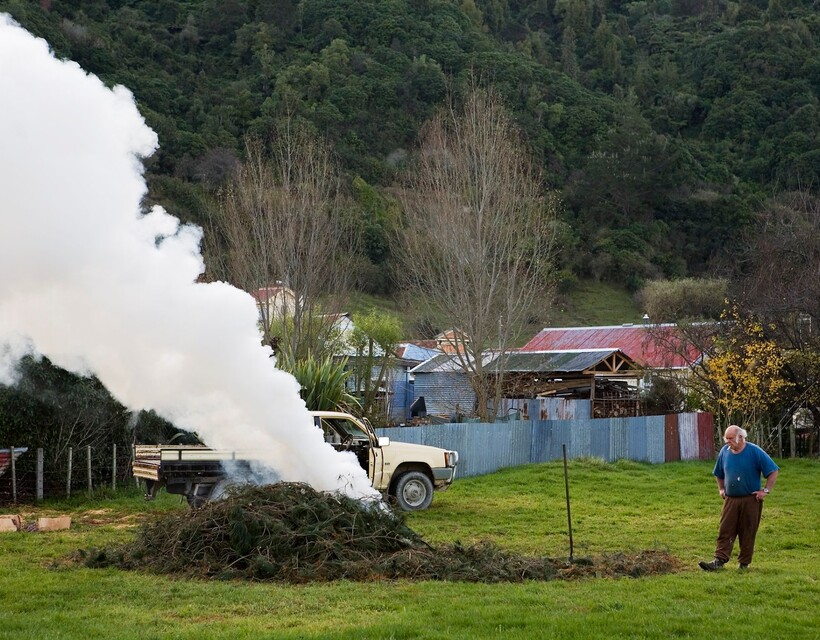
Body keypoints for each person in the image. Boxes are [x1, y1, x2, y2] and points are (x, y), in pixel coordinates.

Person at [699, 425, 779, 571]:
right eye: (726, 438)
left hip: (751, 500)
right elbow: (719, 473)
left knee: (747, 531)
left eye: (730, 438)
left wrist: (765, 490)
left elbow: (773, 470)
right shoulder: (724, 452)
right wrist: (721, 489)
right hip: (731, 499)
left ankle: (744, 564)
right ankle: (719, 561)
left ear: (741, 437)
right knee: (725, 529)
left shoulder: (755, 452)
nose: (727, 441)